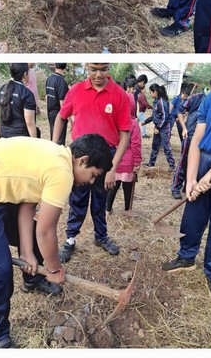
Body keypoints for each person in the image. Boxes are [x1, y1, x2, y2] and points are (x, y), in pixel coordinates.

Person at [0, 133, 113, 348]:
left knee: (38, 235)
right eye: (93, 175)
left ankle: (32, 279)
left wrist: (27, 253)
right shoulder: (62, 172)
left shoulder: (56, 156)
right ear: (82, 160)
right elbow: (46, 232)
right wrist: (55, 270)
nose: (90, 182)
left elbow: (27, 206)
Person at [162, 63, 211, 302]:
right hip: (204, 159)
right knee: (193, 213)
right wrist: (192, 177)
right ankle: (186, 256)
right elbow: (198, 137)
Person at [51, 63, 131, 262]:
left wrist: (112, 167)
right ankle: (70, 239)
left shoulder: (119, 94)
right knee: (76, 198)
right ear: (87, 67)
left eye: (103, 69)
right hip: (80, 157)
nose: (98, 74)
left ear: (109, 68)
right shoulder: (76, 90)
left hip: (105, 157)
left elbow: (125, 134)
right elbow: (61, 117)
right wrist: (54, 146)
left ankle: (101, 237)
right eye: (93, 69)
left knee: (100, 199)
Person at [172, 78, 211, 200]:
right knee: (184, 161)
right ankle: (176, 188)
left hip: (205, 139)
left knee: (197, 164)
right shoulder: (197, 97)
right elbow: (179, 110)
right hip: (190, 136)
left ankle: (188, 186)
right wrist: (184, 128)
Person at [106, 91, 142, 214]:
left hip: (115, 161)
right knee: (128, 187)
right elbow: (136, 145)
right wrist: (137, 162)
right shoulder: (133, 124)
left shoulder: (113, 121)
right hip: (128, 162)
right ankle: (127, 209)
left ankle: (107, 209)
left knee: (113, 186)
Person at [0, 63, 38, 139]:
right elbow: (29, 122)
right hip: (21, 138)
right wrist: (35, 142)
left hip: (4, 137)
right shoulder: (26, 93)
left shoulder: (4, 88)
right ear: (25, 74)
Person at [144, 84, 176, 171]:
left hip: (163, 128)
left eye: (150, 92)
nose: (150, 94)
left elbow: (165, 117)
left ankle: (172, 165)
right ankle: (151, 163)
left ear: (155, 92)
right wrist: (145, 122)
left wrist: (158, 127)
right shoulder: (156, 101)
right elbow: (155, 116)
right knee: (155, 145)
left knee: (166, 147)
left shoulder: (162, 102)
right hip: (158, 127)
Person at [46, 63, 69, 145]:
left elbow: (47, 96)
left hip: (50, 112)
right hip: (58, 114)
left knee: (53, 137)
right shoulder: (62, 82)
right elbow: (63, 103)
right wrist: (69, 119)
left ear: (55, 65)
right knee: (59, 140)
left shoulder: (49, 78)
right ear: (65, 67)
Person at [134, 74, 152, 138]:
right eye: (144, 84)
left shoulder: (136, 88)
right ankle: (143, 134)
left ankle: (136, 133)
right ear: (142, 82)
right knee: (143, 122)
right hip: (139, 111)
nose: (144, 87)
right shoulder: (139, 92)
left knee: (136, 123)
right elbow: (146, 104)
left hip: (137, 111)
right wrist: (152, 107)